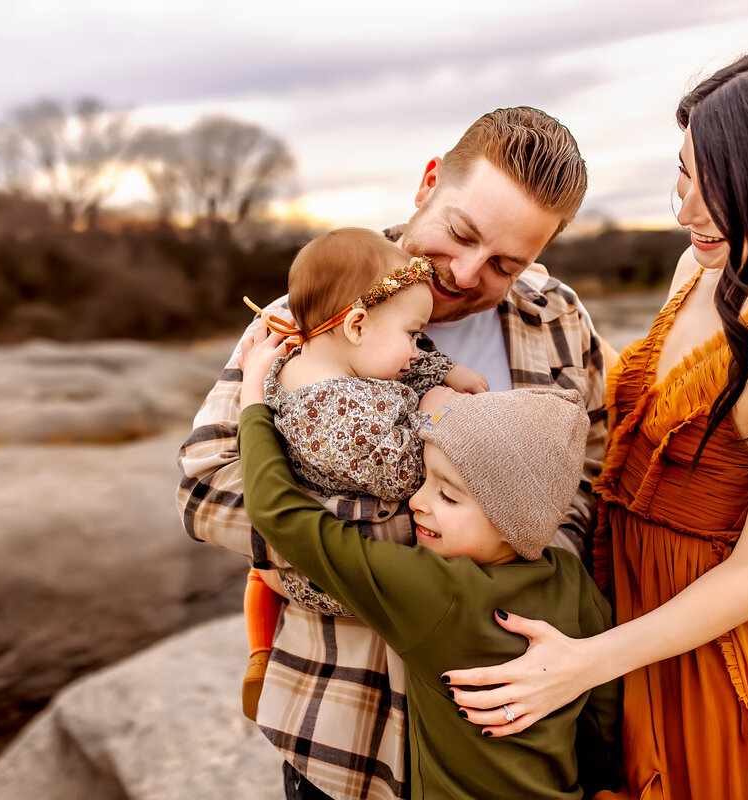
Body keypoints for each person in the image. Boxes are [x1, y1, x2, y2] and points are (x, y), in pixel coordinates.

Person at [442, 43, 748, 799]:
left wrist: (584, 662)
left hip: (701, 666)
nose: (688, 212)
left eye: (716, 188)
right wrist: (511, 288)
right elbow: (639, 400)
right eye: (684, 178)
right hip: (606, 606)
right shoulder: (698, 266)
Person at [176, 106, 610, 800]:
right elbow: (205, 488)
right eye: (461, 233)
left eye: (505, 263)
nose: (466, 273)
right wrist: (419, 557)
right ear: (429, 182)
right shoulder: (311, 310)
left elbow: (592, 471)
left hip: (513, 740)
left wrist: (531, 568)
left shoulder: (557, 318)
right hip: (349, 732)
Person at [238, 330, 621, 798]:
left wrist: (253, 400)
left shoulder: (433, 591)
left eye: (447, 494)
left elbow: (278, 513)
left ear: (510, 520)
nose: (416, 502)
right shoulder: (572, 578)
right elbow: (603, 706)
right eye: (424, 479)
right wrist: (604, 782)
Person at [238, 228, 488, 719]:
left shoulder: (315, 359)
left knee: (257, 574)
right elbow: (401, 474)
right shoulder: (337, 414)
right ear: (355, 325)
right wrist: (438, 410)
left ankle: (258, 649)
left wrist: (443, 370)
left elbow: (390, 356)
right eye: (414, 335)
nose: (418, 350)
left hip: (318, 555)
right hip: (343, 579)